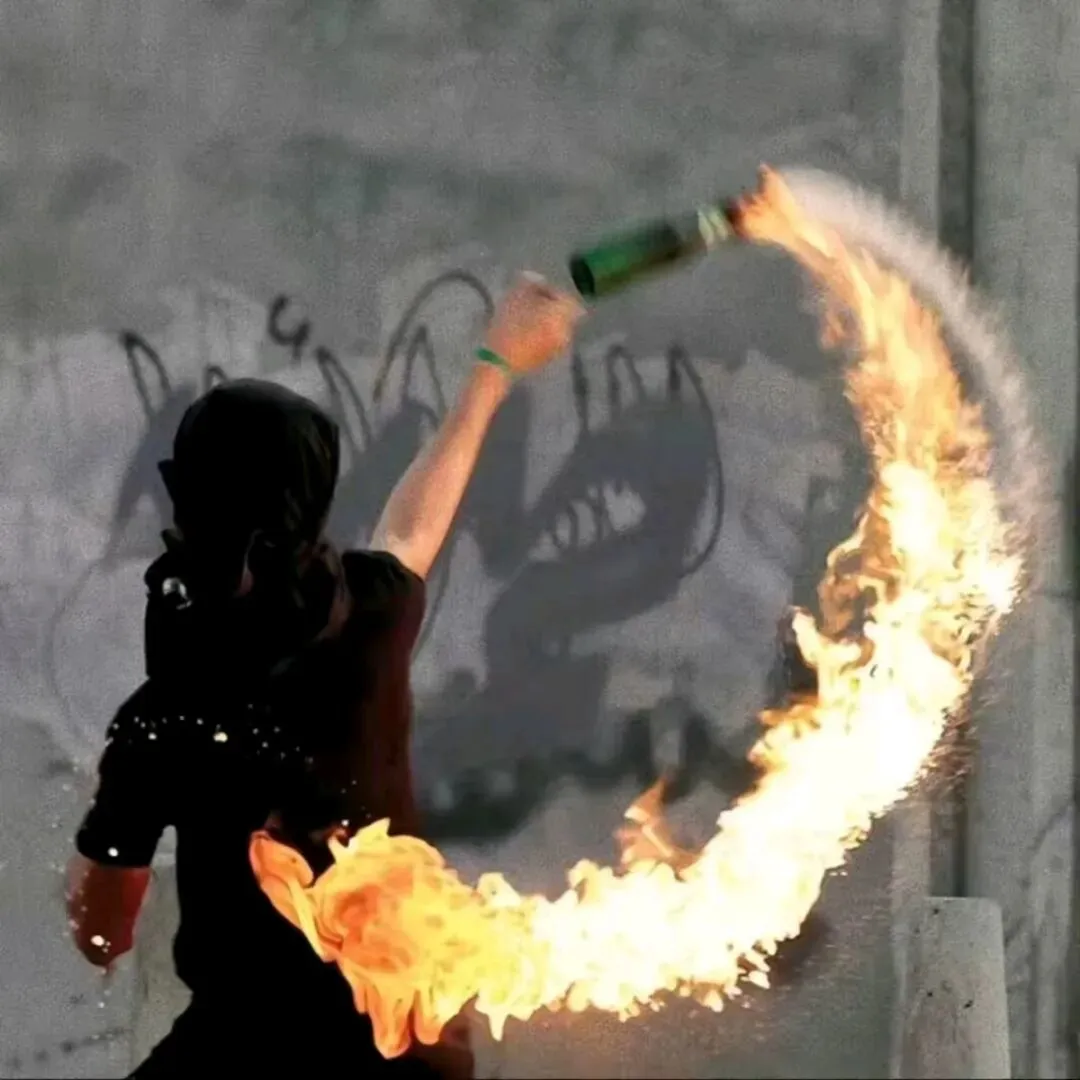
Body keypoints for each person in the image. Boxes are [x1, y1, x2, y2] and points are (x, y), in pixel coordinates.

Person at [66, 274, 586, 1076]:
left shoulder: (162, 720)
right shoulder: (368, 615)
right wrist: (493, 367)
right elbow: (413, 528)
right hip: (410, 1045)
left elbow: (105, 935)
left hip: (252, 1049)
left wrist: (92, 866)